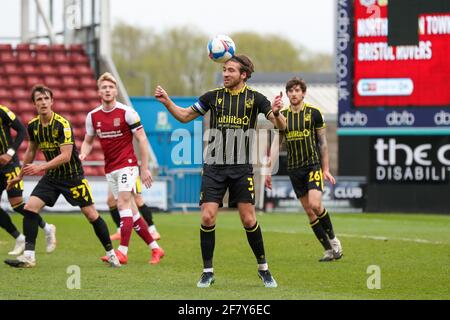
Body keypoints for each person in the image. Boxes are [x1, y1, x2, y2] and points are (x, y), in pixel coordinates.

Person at [155, 54, 279, 288]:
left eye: (231, 70)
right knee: (207, 216)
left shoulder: (257, 99)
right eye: (224, 69)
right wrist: (167, 102)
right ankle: (207, 271)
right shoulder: (213, 97)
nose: (225, 74)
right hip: (214, 166)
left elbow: (279, 125)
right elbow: (184, 116)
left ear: (243, 75)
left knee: (248, 218)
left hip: (241, 167)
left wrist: (278, 112)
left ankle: (263, 268)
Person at [4, 85, 120, 268]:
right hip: (51, 177)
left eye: (45, 99)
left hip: (72, 176)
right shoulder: (33, 125)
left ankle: (111, 254)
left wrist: (41, 167)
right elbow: (31, 150)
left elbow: (66, 156)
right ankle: (29, 256)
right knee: (30, 208)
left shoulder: (62, 124)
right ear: (34, 104)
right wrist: (19, 176)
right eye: (39, 100)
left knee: (91, 214)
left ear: (52, 101)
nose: (43, 102)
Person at [80, 72, 164, 265]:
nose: (108, 90)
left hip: (128, 165)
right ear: (99, 91)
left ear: (116, 91)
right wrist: (83, 153)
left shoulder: (127, 112)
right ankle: (156, 249)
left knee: (122, 204)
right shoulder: (92, 116)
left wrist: (144, 168)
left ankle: (122, 252)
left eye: (111, 87)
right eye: (104, 88)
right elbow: (88, 140)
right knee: (133, 213)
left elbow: (142, 139)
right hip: (110, 168)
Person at [265, 77, 343, 262]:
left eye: (297, 90)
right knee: (309, 212)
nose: (294, 94)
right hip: (294, 169)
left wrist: (326, 169)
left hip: (312, 166)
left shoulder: (314, 113)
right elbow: (276, 144)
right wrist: (268, 170)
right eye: (290, 91)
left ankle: (334, 241)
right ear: (287, 94)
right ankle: (328, 251)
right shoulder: (282, 116)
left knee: (316, 205)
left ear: (303, 93)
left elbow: (323, 144)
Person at [0, 104, 57, 255]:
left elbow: (21, 131)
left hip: (9, 166)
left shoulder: (2, 111)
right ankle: (19, 238)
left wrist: (9, 153)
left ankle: (47, 228)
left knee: (17, 204)